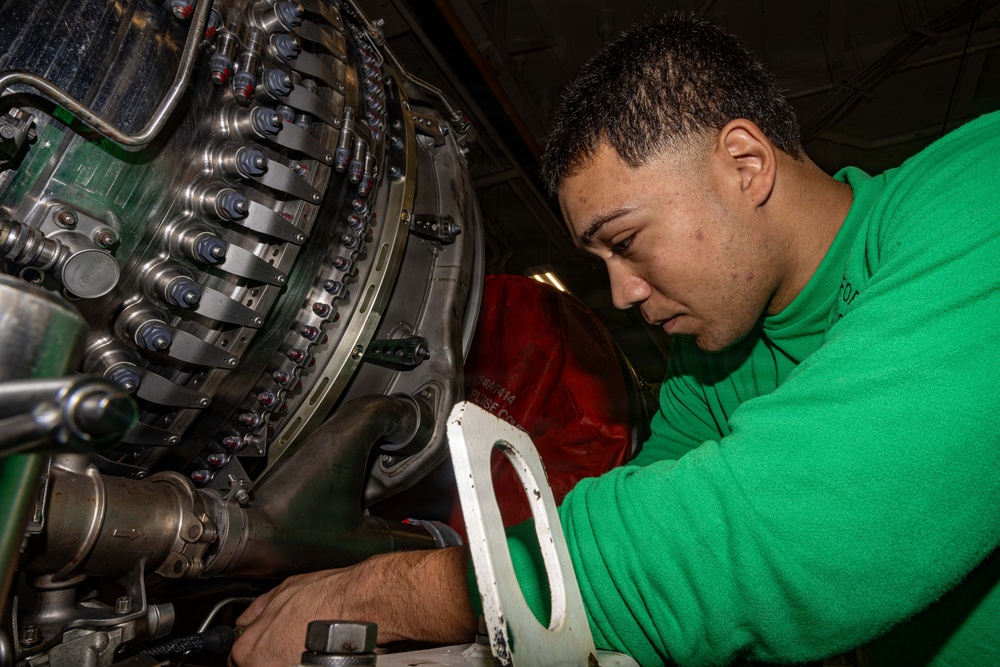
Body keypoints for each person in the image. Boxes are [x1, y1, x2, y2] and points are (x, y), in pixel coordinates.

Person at [231, 14, 1000, 666]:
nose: (624, 293)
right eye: (598, 262)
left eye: (626, 241)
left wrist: (399, 592)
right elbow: (622, 524)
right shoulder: (708, 366)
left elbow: (788, 535)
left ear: (745, 162)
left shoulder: (977, 194)